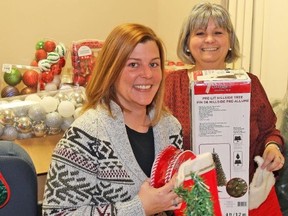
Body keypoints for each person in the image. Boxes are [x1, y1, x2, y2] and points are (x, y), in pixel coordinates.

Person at [42, 23, 183, 215]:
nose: (147, 74)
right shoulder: (85, 136)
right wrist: (139, 208)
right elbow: (57, 213)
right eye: (133, 65)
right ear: (112, 70)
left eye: (154, 64)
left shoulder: (171, 128)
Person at [164, 2, 285, 215]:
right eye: (200, 33)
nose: (209, 40)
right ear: (187, 43)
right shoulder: (172, 85)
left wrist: (272, 148)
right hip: (190, 199)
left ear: (229, 41)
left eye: (218, 32)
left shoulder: (250, 83)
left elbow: (269, 132)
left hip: (244, 197)